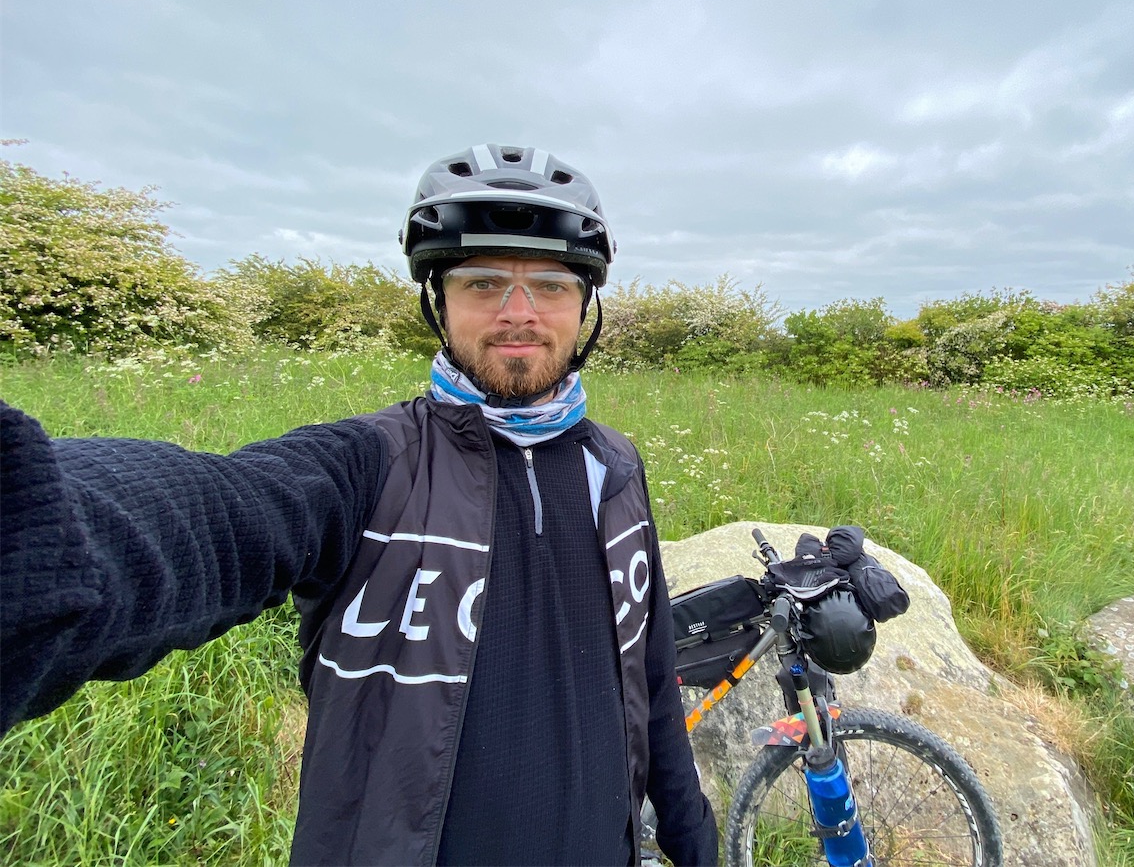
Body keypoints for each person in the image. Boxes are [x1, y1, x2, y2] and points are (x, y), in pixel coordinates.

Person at [0, 144, 719, 867]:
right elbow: (216, 512)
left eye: (552, 287)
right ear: (438, 300)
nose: (519, 314)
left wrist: (693, 841)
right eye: (483, 283)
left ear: (586, 303)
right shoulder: (369, 465)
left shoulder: (616, 468)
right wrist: (32, 534)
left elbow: (652, 678)